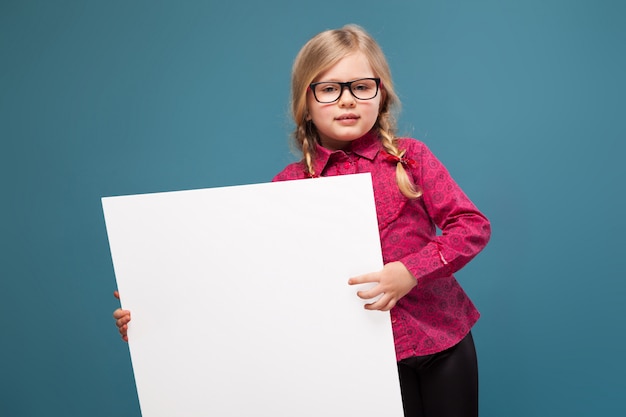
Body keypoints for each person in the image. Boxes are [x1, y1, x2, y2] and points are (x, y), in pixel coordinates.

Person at [113, 24, 491, 417]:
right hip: (361, 358)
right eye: (329, 89)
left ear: (381, 94)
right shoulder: (289, 186)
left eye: (362, 86)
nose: (347, 100)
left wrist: (410, 271)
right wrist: (155, 309)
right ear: (305, 104)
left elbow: (471, 226)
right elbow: (247, 278)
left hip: (444, 340)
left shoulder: (409, 158)